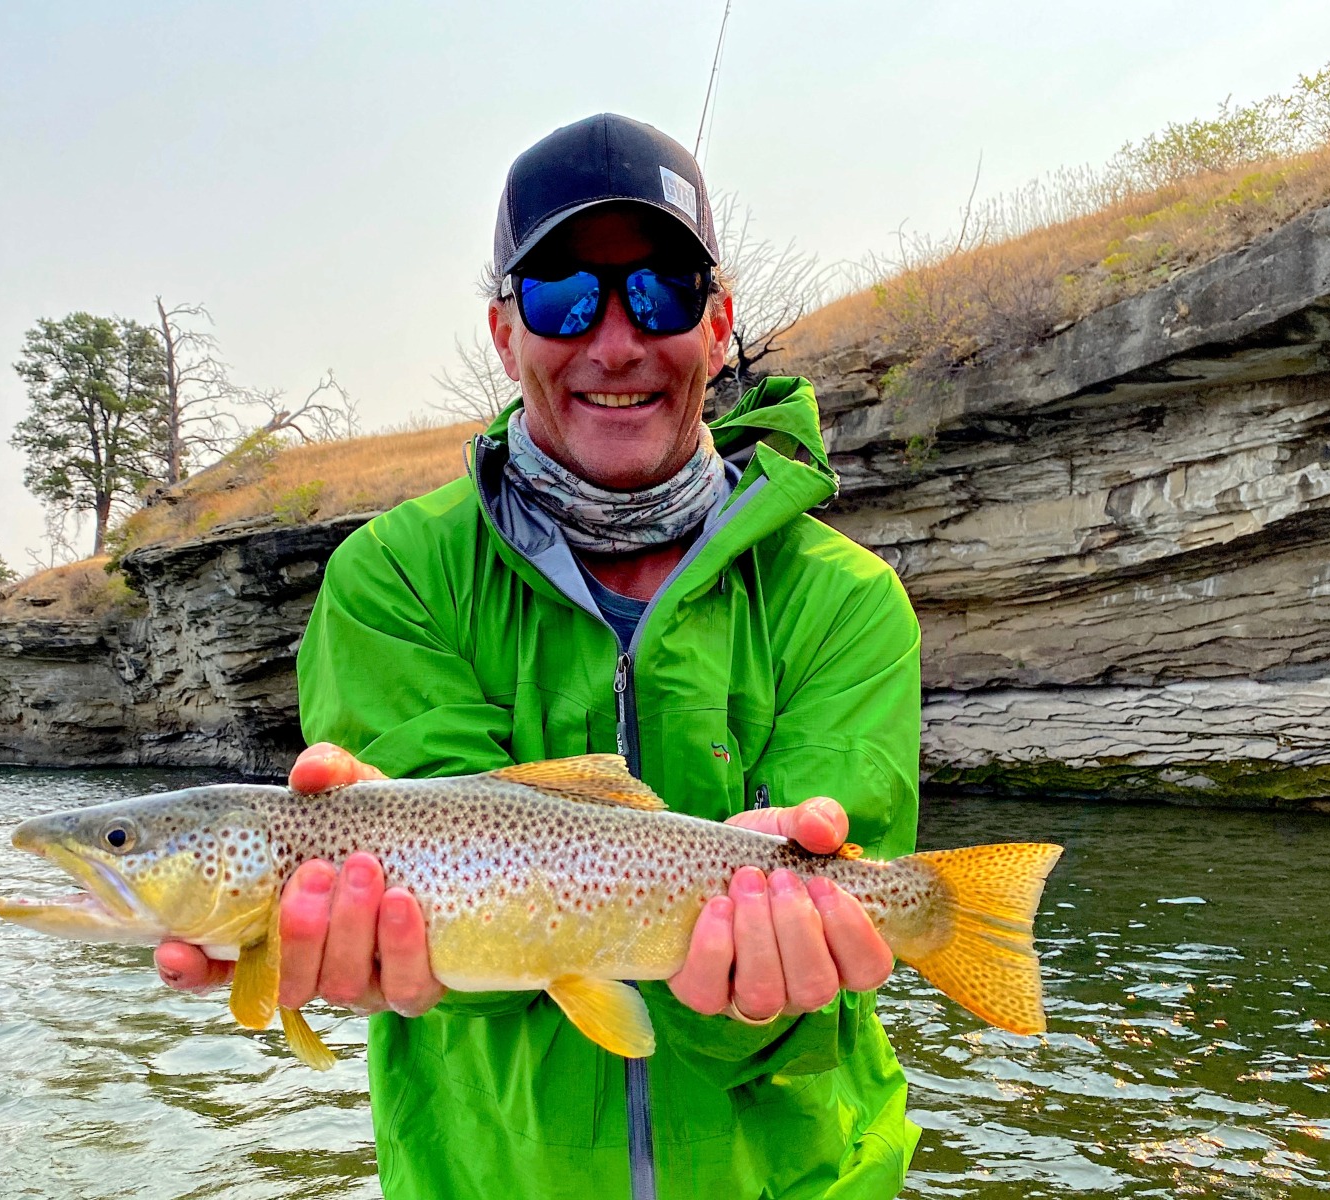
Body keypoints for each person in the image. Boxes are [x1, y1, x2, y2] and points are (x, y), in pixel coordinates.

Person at [157, 113, 923, 1199]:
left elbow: (833, 978)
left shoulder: (846, 599)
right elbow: (461, 941)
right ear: (504, 333)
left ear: (718, 325)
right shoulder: (394, 577)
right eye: (564, 295)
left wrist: (766, 991)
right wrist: (371, 946)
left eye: (659, 290)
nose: (615, 341)